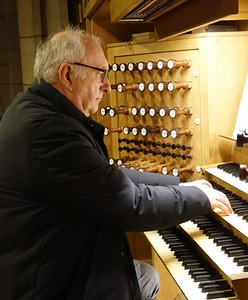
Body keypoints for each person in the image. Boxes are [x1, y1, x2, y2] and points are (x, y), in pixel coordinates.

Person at [0, 26, 233, 300]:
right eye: (101, 73)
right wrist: (199, 198)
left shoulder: (34, 110)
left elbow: (105, 175)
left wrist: (180, 184)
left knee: (145, 277)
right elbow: (128, 204)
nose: (108, 86)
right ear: (67, 75)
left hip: (45, 260)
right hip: (50, 283)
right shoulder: (49, 132)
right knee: (143, 279)